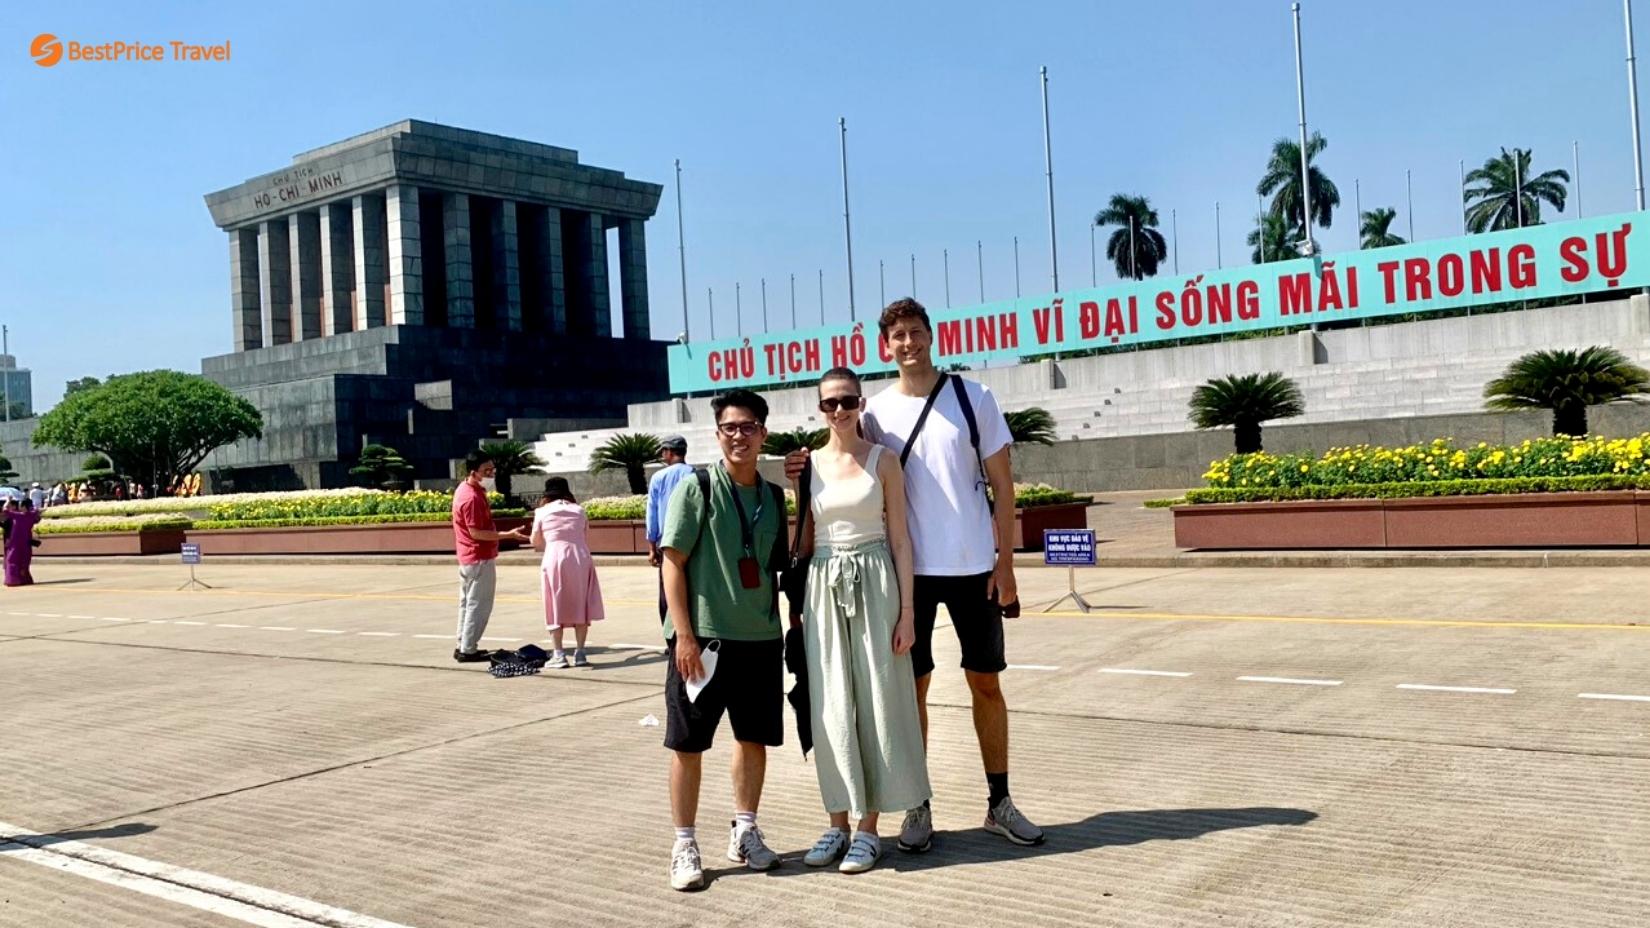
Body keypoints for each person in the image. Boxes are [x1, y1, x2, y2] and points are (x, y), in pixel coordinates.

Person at [787, 297, 1044, 853]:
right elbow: (849, 471)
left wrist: (1006, 564)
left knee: (987, 683)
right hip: (909, 576)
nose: (908, 343)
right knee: (910, 692)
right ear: (885, 346)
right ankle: (917, 806)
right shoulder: (874, 411)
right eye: (897, 335)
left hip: (974, 564)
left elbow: (1003, 486)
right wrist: (798, 475)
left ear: (931, 335)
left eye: (915, 332)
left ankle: (998, 801)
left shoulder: (974, 399)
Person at [794, 367, 929, 875]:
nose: (838, 411)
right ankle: (836, 820)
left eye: (846, 400)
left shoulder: (884, 461)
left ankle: (870, 826)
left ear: (861, 402)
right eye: (829, 403)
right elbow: (805, 542)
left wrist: (908, 612)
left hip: (876, 580)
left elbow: (901, 539)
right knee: (830, 703)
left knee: (877, 698)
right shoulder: (807, 466)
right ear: (819, 408)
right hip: (824, 584)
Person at [659, 388, 789, 892]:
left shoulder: (774, 497)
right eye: (730, 428)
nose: (740, 436)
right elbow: (673, 561)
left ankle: (746, 831)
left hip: (759, 637)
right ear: (717, 435)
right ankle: (684, 842)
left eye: (749, 427)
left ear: (763, 433)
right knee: (688, 744)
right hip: (705, 641)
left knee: (753, 739)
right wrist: (684, 635)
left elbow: (779, 567)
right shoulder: (698, 487)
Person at [452, 449, 529, 663]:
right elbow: (476, 532)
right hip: (478, 558)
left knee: (467, 604)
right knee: (479, 605)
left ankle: (462, 645)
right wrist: (508, 535)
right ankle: (468, 649)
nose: (491, 474)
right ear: (473, 471)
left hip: (468, 557)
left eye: (492, 470)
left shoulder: (465, 490)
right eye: (487, 471)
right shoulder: (472, 498)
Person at [532, 476, 604, 669]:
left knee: (553, 603)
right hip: (580, 557)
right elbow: (584, 535)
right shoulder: (579, 510)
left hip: (554, 557)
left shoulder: (542, 511)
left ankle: (559, 654)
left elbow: (535, 542)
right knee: (581, 604)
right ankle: (580, 653)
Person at [646, 435, 694, 620]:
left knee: (668, 589)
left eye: (663, 451)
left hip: (666, 543)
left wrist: (651, 547)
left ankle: (671, 639)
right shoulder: (695, 474)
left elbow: (652, 512)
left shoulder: (658, 477)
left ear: (670, 452)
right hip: (692, 543)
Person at [1, 498, 42, 586]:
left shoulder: (19, 515)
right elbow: (38, 516)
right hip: (26, 541)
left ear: (24, 507)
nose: (19, 507)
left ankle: (13, 580)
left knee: (12, 560)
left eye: (21, 505)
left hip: (16, 542)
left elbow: (5, 510)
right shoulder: (32, 515)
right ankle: (24, 579)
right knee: (24, 561)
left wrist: (8, 500)